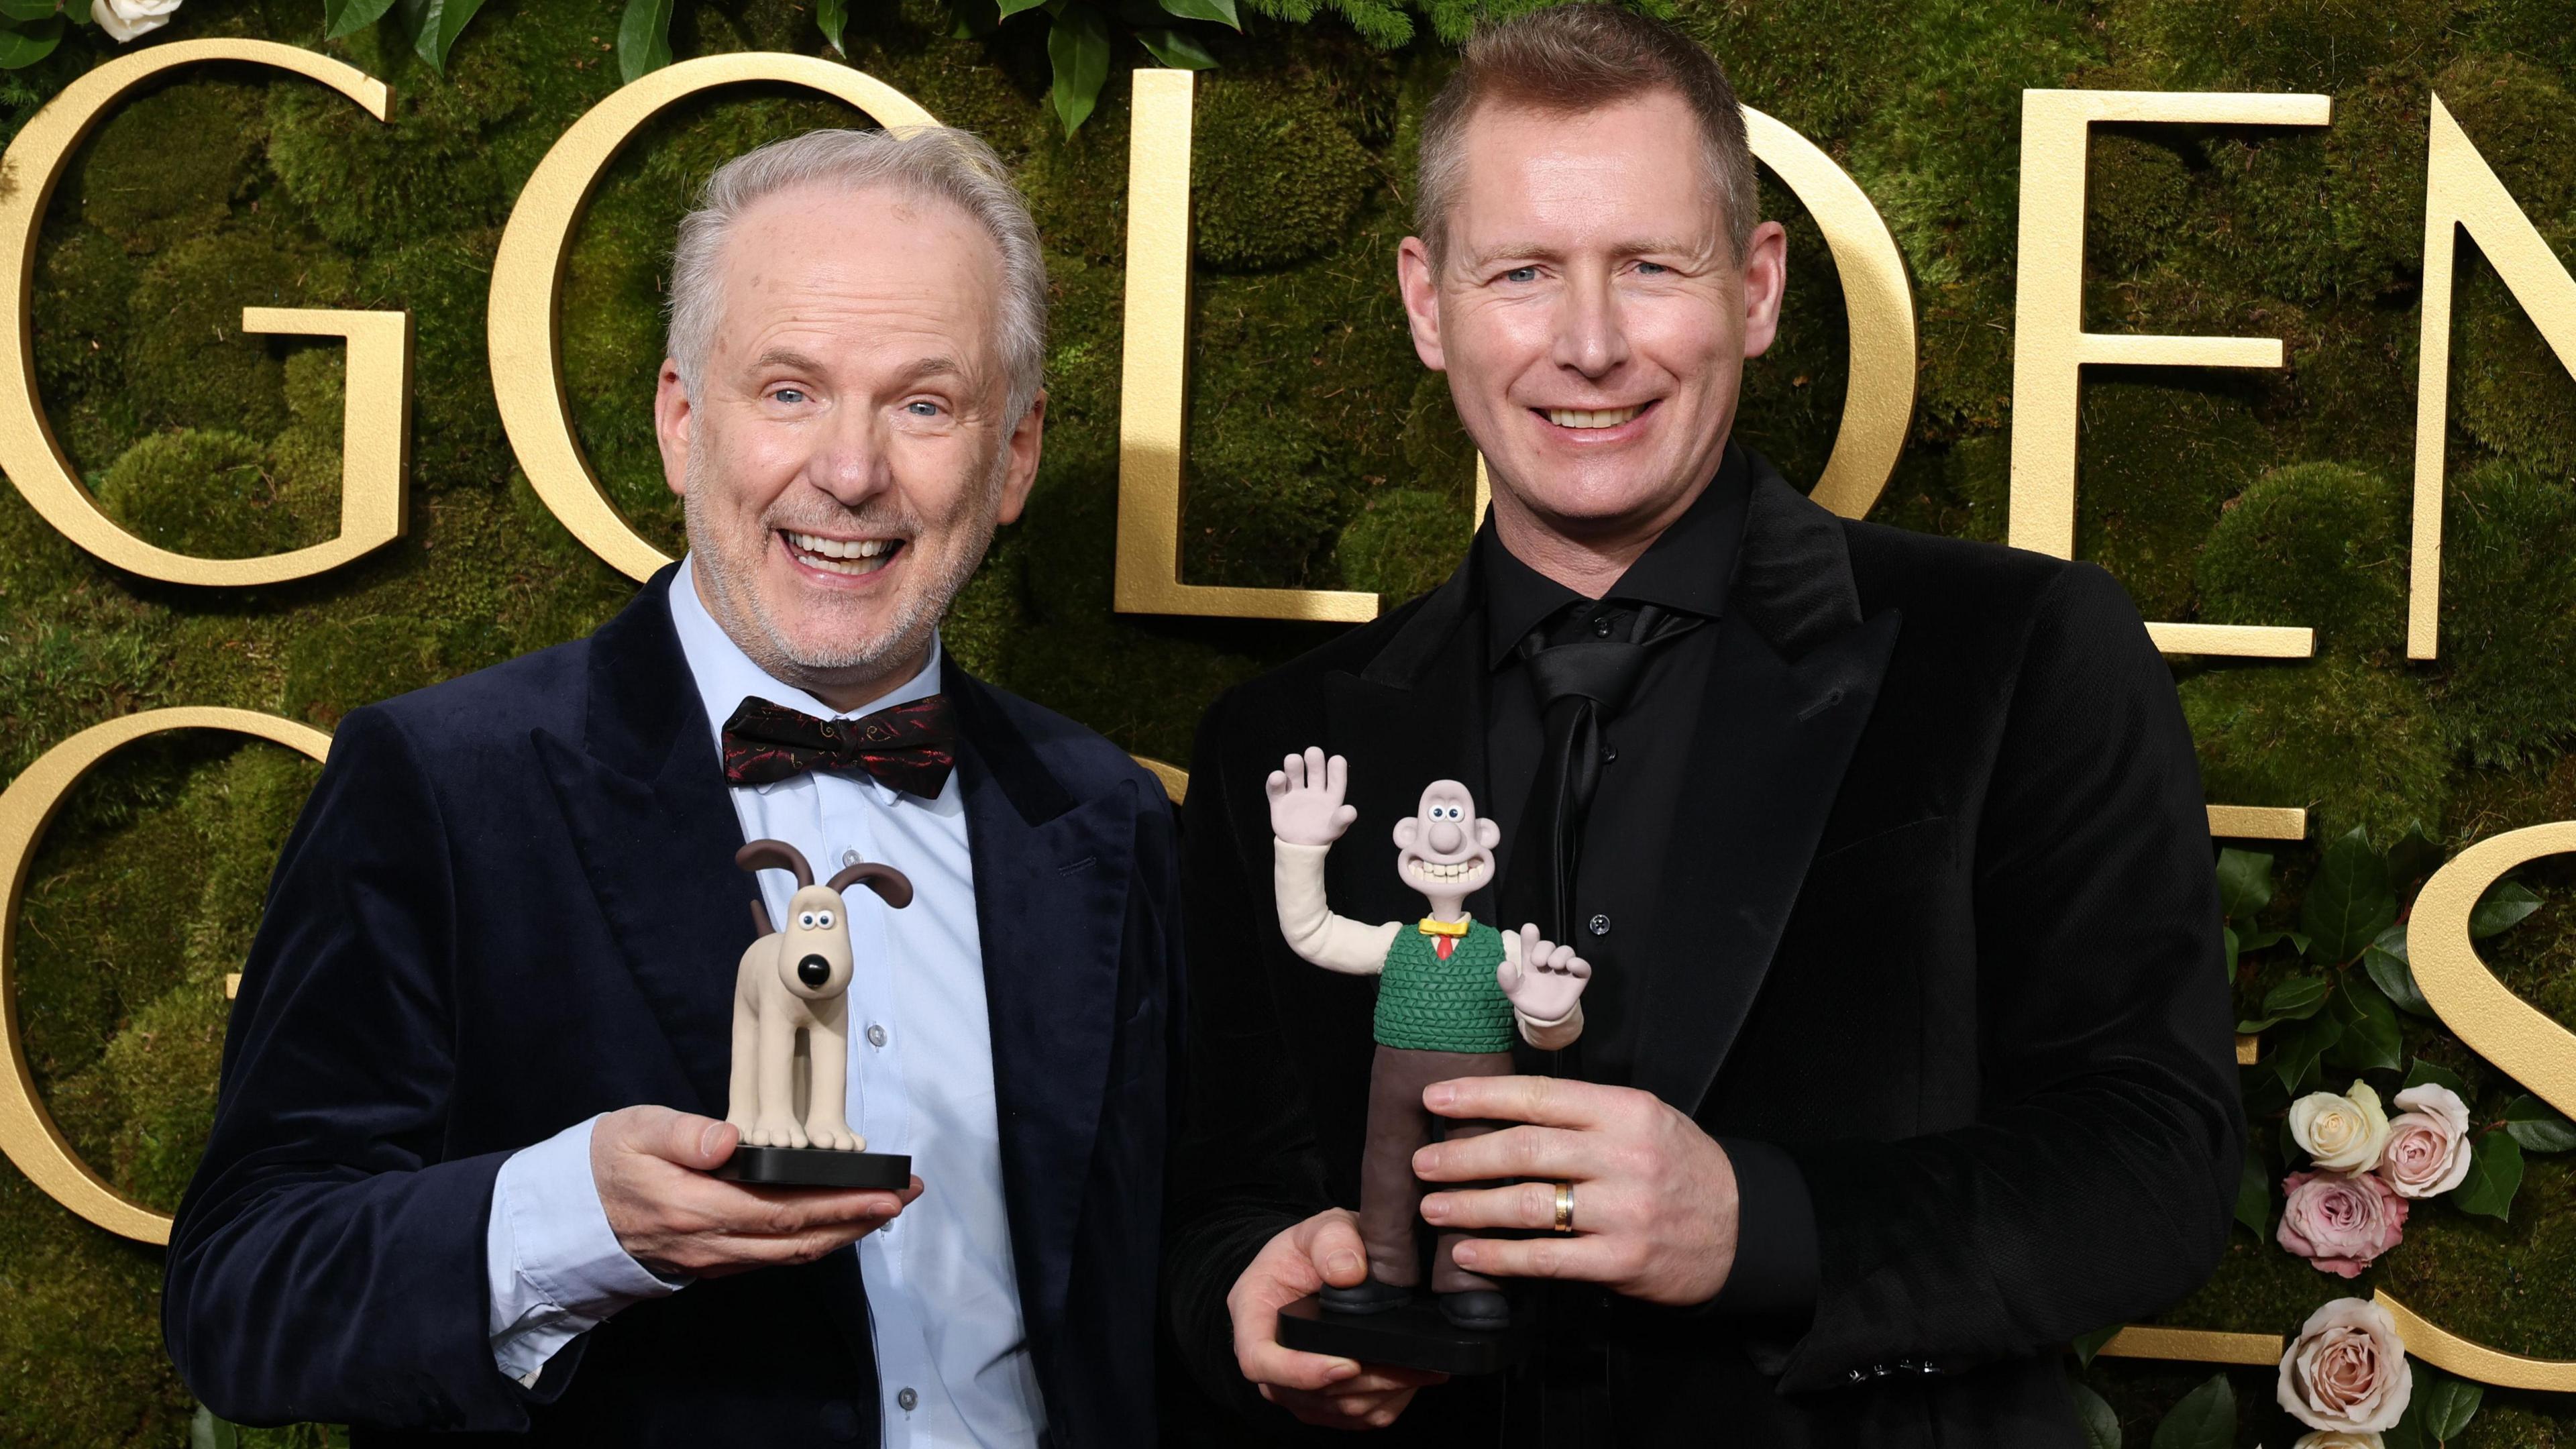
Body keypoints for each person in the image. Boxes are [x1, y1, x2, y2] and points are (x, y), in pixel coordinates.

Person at [1162, 8, 2242, 1444]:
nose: (1591, 345)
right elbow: (1212, 1191)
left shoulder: (2019, 653)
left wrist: (1757, 1224)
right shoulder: (1282, 744)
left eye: (1650, 269)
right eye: (1524, 273)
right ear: (1429, 305)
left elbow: (2156, 1168)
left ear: (1756, 287)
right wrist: (1250, 1285)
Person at [164, 127, 1180, 1448]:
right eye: (788, 391)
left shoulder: (1102, 811)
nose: (854, 471)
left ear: (1018, 454)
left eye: (924, 403)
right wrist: (576, 1220)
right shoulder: (443, 781)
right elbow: (242, 1299)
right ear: (681, 420)